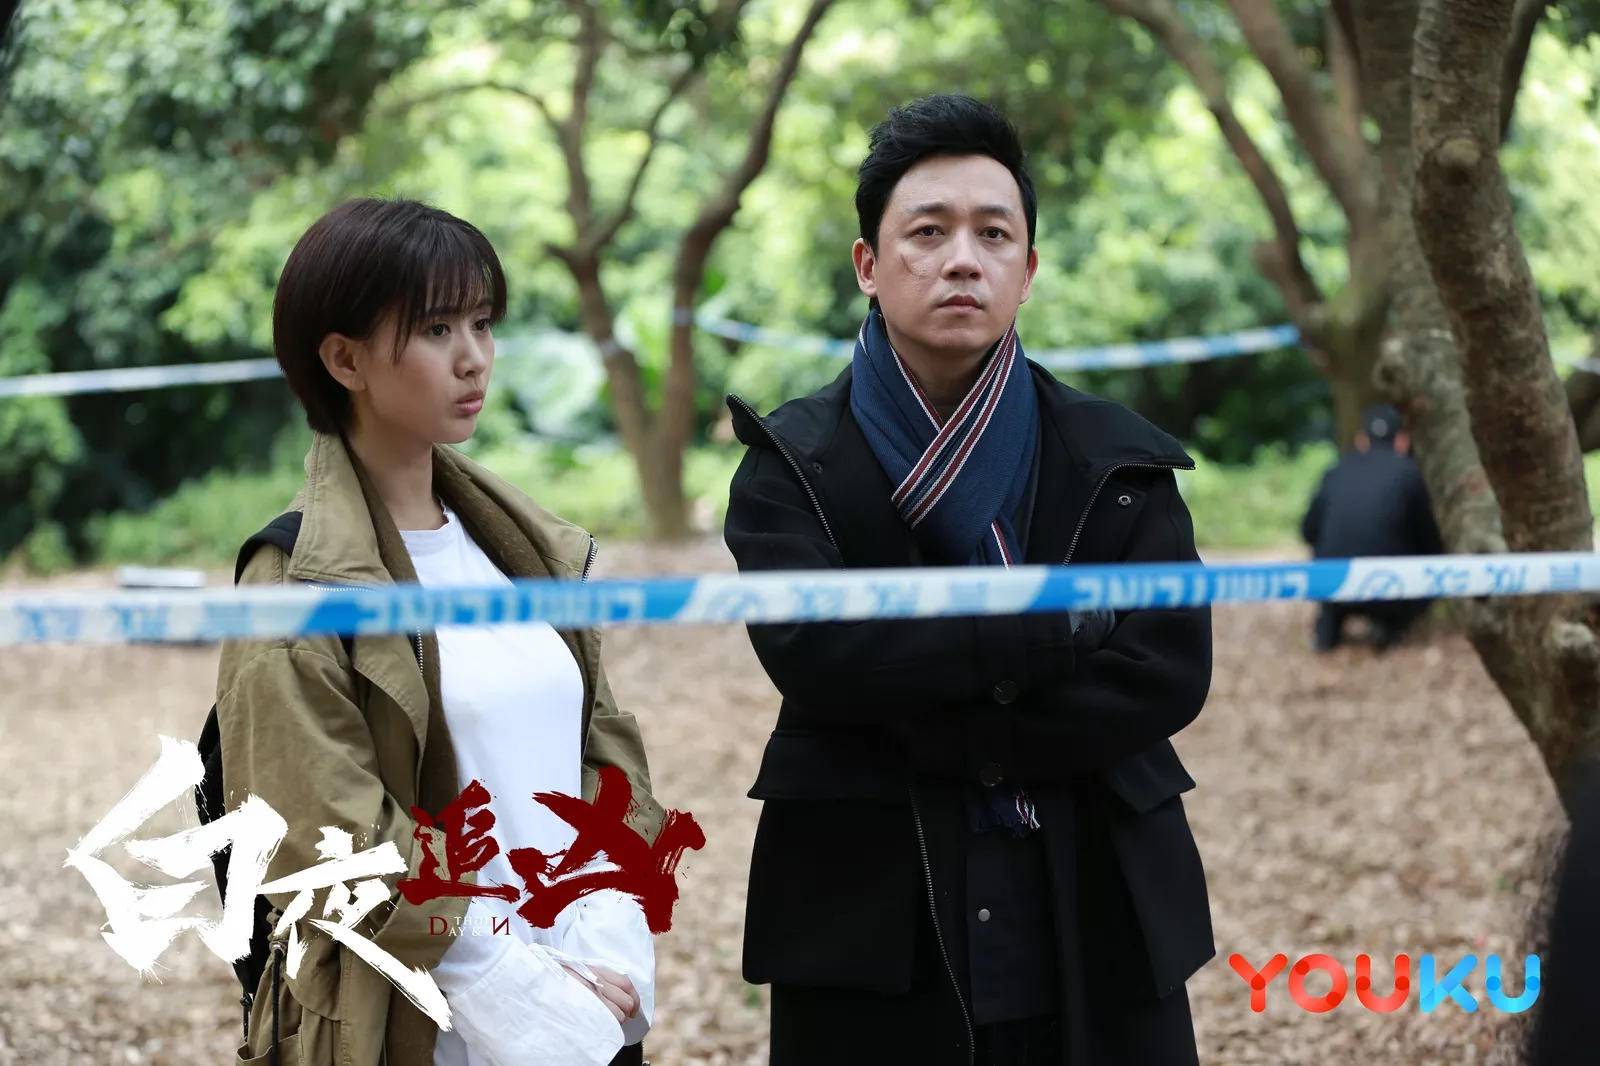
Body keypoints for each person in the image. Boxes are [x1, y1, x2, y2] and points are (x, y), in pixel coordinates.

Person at [723, 94, 1214, 1066]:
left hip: (1092, 888)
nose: (962, 259)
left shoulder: (1116, 457)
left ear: (1027, 270)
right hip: (872, 908)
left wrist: (945, 712)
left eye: (993, 234)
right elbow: (820, 662)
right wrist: (1055, 629)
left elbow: (1165, 668)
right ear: (868, 265)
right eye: (927, 232)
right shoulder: (792, 464)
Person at [216, 198, 664, 1066]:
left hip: (589, 997)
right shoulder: (297, 580)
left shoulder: (527, 549)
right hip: (417, 1023)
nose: (473, 357)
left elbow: (604, 749)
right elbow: (321, 832)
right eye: (435, 329)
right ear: (344, 359)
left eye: (482, 323)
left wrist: (606, 938)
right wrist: (516, 982)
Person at [1301, 403, 1443, 651]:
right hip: (1388, 586)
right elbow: (1429, 538)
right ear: (1402, 441)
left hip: (1334, 583)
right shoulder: (1409, 473)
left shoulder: (1335, 471)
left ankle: (1330, 624)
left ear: (1362, 440)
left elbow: (1307, 530)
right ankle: (1391, 627)